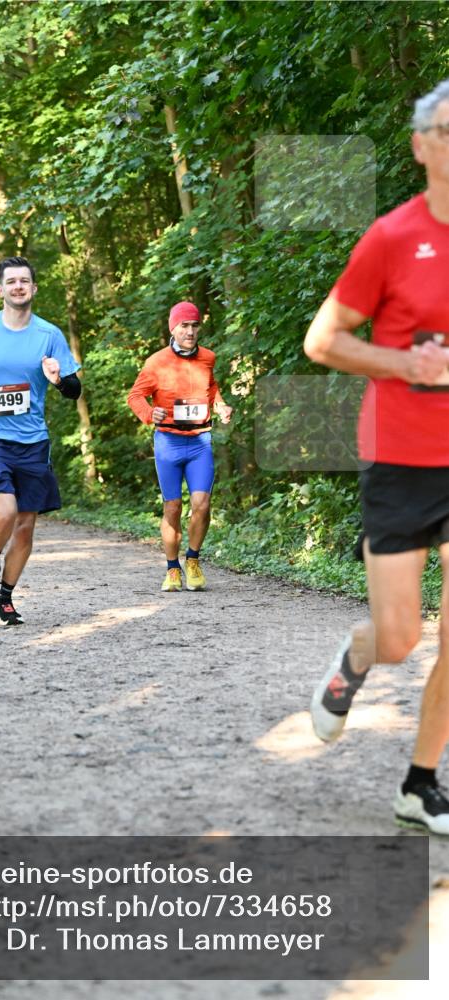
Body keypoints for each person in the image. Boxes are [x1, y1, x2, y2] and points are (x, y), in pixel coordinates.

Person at [305, 79, 449, 835]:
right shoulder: (392, 238)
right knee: (400, 638)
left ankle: (419, 784)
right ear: (421, 145)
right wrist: (402, 364)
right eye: (448, 132)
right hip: (400, 455)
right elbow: (321, 341)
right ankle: (357, 658)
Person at [0, 256, 81, 626]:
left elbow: (74, 389)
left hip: (33, 438)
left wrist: (56, 380)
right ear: (1, 289)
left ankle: (5, 597)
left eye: (25, 280)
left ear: (34, 288)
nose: (18, 286)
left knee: (25, 525)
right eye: (12, 281)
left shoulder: (49, 335)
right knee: (4, 512)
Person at [127, 301, 232, 592]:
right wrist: (150, 414)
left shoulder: (208, 358)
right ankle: (172, 568)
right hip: (169, 443)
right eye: (184, 326)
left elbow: (211, 388)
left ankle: (193, 560)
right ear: (173, 328)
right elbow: (135, 396)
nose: (190, 331)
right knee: (172, 507)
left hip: (200, 442)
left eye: (194, 325)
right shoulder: (156, 362)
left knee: (203, 504)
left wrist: (221, 405)